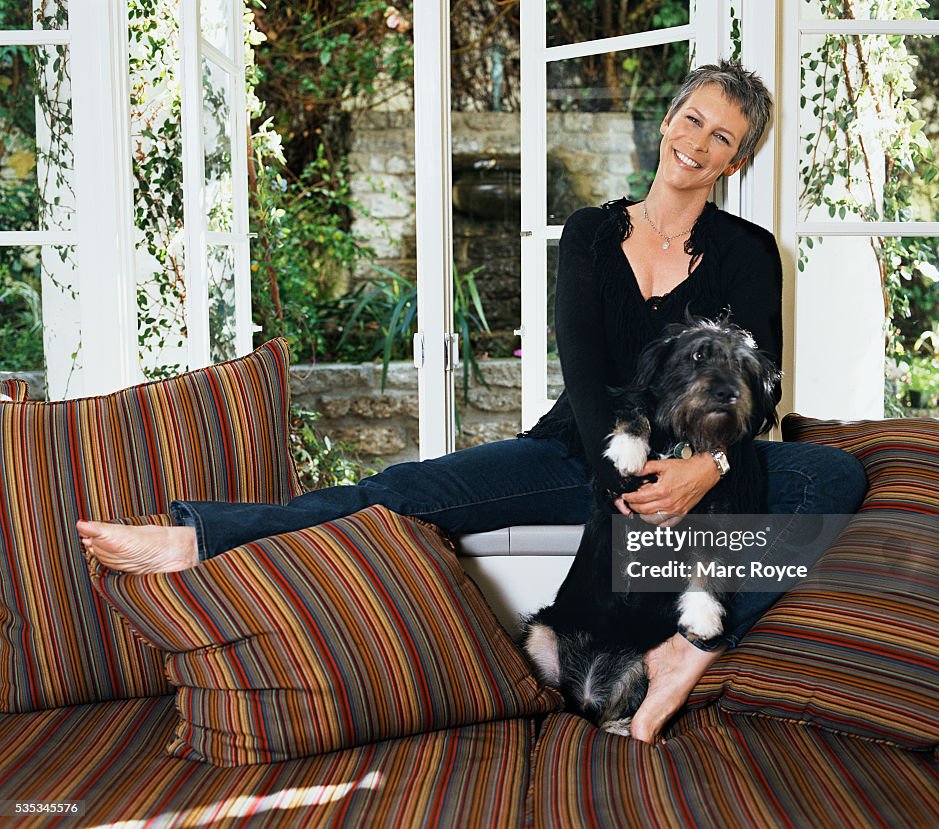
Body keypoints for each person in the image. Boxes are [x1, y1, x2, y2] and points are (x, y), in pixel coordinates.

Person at [79, 60, 867, 744]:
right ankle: (197, 538)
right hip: (578, 450)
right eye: (692, 118)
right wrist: (631, 487)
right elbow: (588, 374)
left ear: (738, 158)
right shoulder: (593, 233)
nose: (697, 142)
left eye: (722, 136)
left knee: (834, 479)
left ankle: (690, 647)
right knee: (400, 490)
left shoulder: (748, 252)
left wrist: (704, 469)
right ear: (668, 120)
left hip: (698, 462)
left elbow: (759, 384)